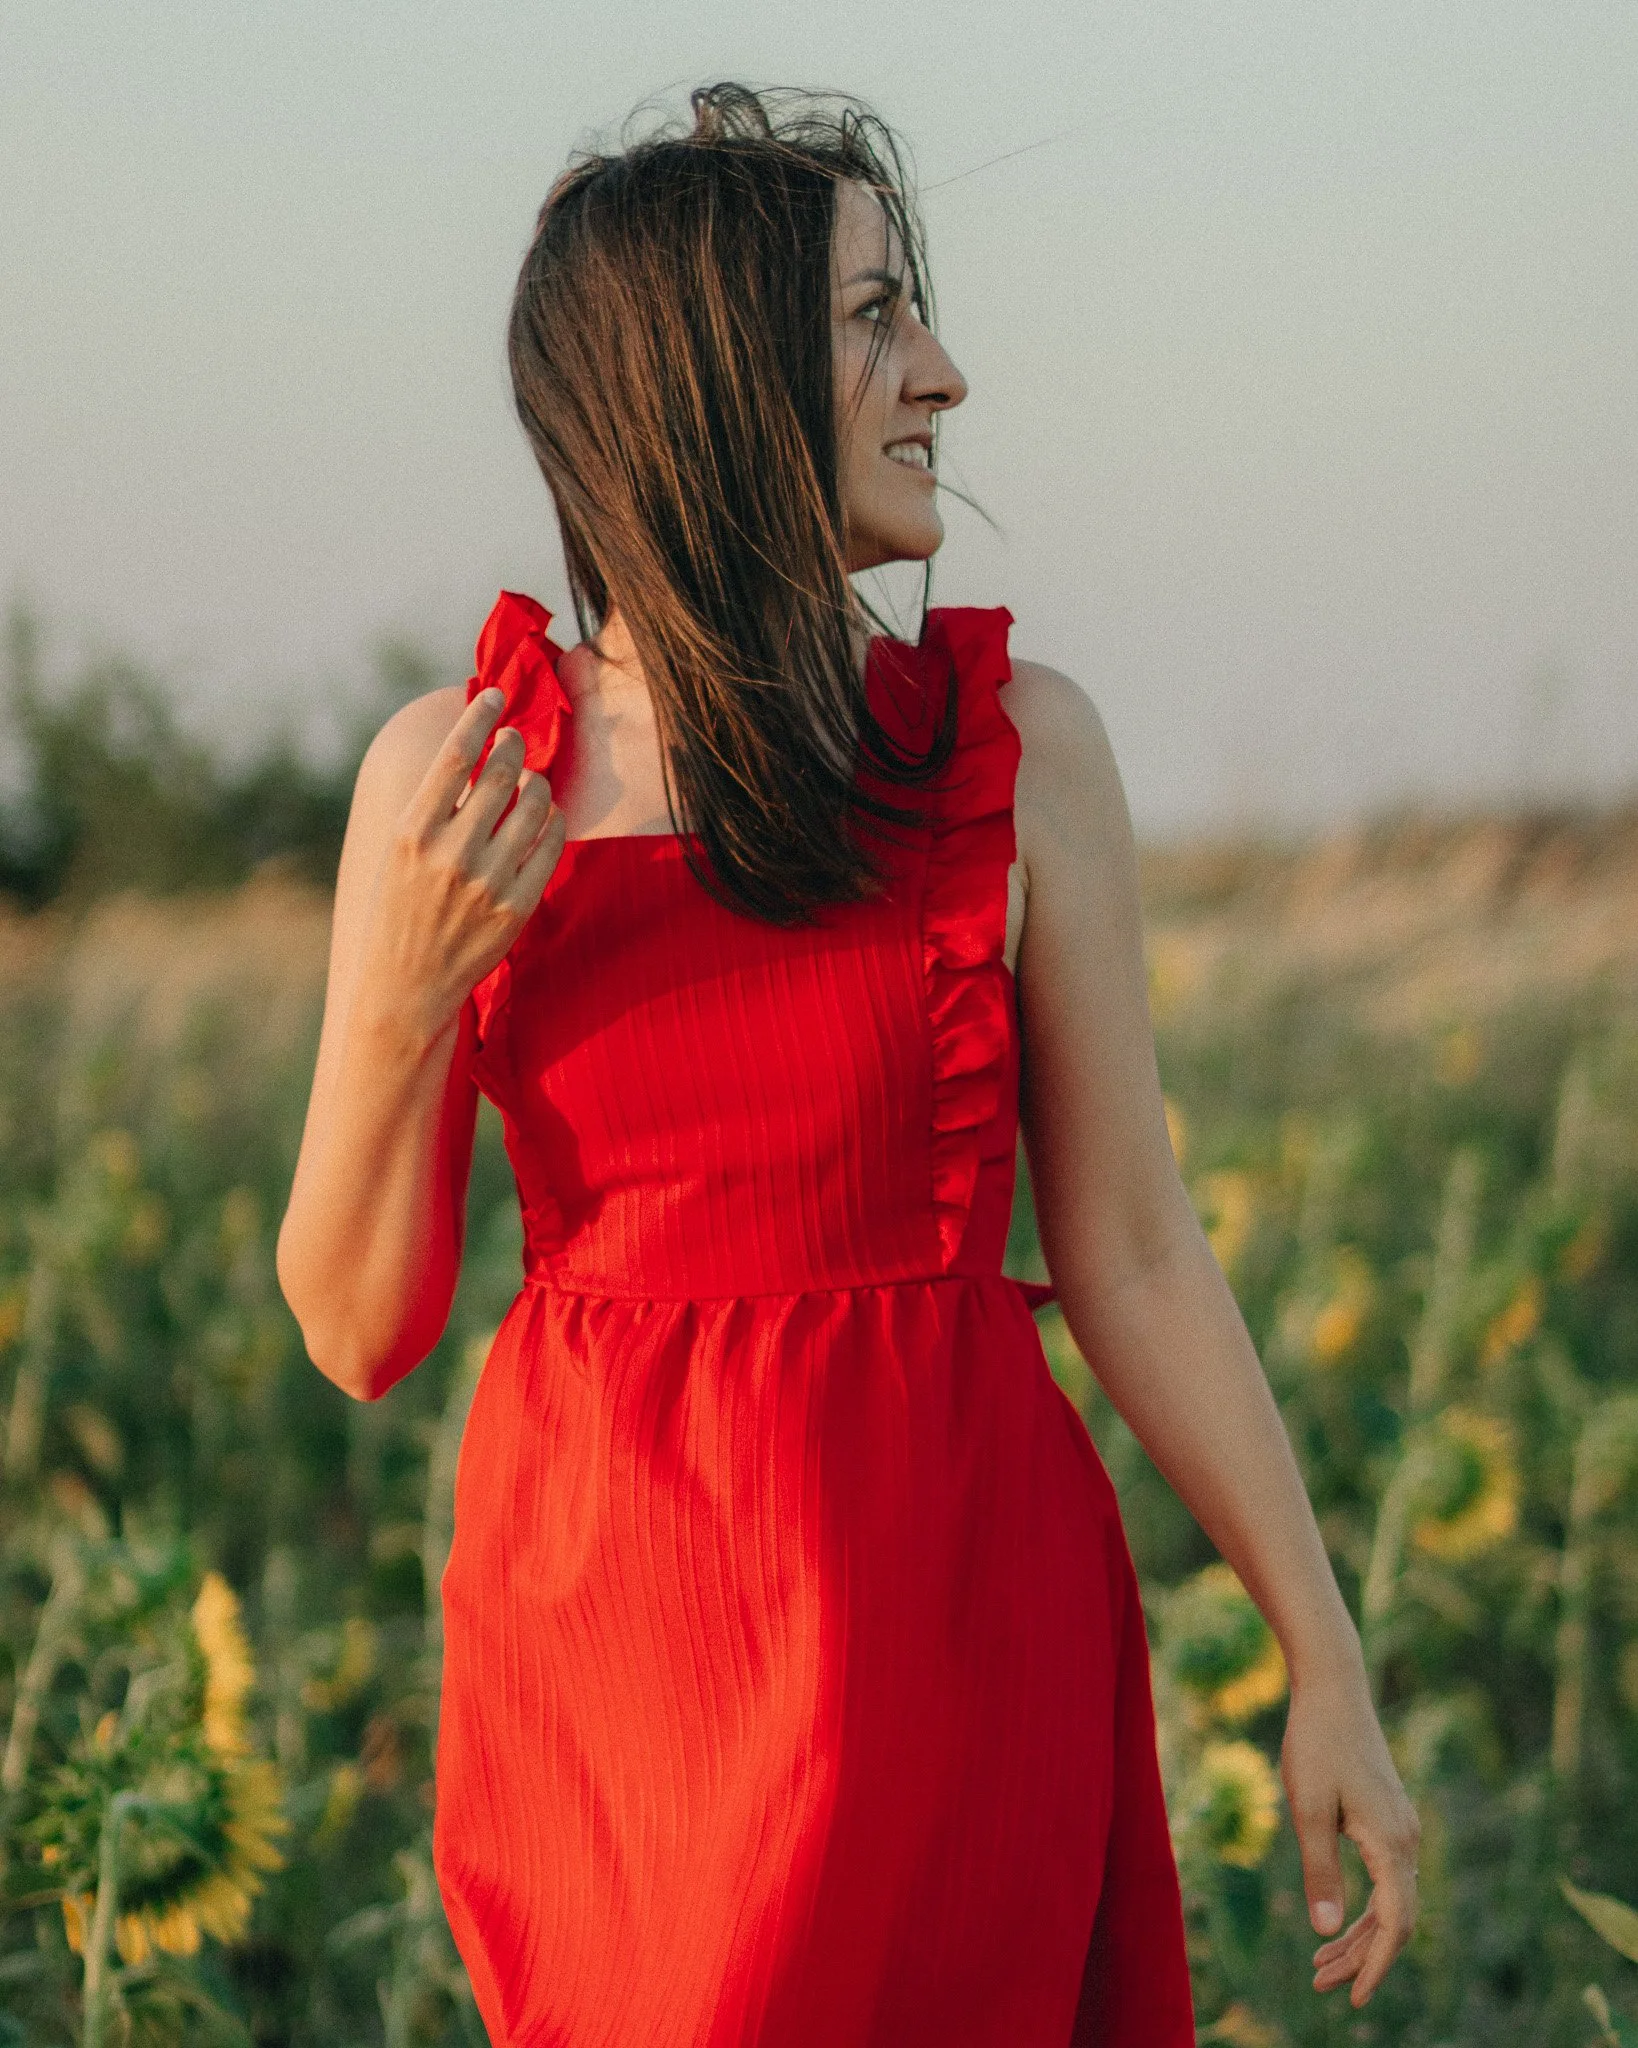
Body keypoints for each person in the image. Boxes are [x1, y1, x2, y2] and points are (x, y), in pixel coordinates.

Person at [276, 81, 1419, 2047]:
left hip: (952, 1622)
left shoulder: (1018, 750)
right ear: (712, 377)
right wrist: (397, 1001)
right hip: (620, 1657)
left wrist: (1326, 1650)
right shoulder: (455, 780)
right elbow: (356, 1327)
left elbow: (1132, 1252)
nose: (945, 376)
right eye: (877, 316)